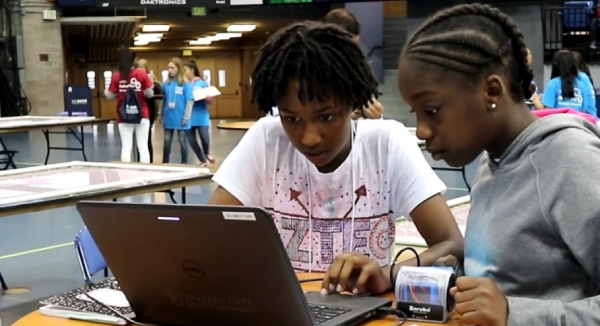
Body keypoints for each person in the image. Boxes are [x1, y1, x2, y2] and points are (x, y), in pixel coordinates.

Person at [208, 21, 464, 286]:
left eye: (326, 116)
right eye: (292, 119)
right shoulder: (266, 138)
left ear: (353, 102)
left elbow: (452, 244)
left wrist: (387, 275)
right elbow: (206, 234)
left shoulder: (387, 144)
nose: (309, 138)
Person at [391, 3, 600, 326]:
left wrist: (513, 313)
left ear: (491, 91)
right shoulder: (492, 162)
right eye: (415, 114)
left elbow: (509, 305)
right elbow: (511, 281)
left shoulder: (570, 159)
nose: (421, 131)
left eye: (431, 111)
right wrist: (437, 276)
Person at [323, 8, 384, 120]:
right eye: (346, 48)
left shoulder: (359, 73)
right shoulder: (308, 74)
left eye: (354, 47)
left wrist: (376, 115)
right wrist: (346, 118)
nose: (351, 54)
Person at [105, 49, 153, 163]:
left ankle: (126, 173)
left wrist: (106, 91)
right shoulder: (141, 74)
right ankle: (145, 173)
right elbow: (149, 94)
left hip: (124, 114)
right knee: (143, 147)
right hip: (142, 113)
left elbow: (110, 96)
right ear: (134, 60)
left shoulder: (117, 76)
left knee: (126, 147)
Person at [159, 57, 193, 164]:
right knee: (167, 140)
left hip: (181, 116)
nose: (170, 70)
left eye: (172, 68)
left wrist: (186, 116)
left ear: (178, 68)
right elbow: (163, 100)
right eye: (168, 68)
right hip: (169, 115)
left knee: (182, 140)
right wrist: (160, 113)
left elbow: (189, 101)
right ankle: (165, 162)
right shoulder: (166, 83)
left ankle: (184, 163)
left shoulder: (185, 84)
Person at [542, 50, 596, 116]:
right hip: (577, 124)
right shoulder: (581, 85)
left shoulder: (552, 84)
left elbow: (547, 111)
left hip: (557, 124)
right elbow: (584, 111)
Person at [184, 60, 215, 166]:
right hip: (189, 115)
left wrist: (206, 97)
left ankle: (206, 153)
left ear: (192, 70)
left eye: (186, 70)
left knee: (205, 138)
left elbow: (210, 99)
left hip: (201, 114)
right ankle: (202, 160)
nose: (184, 72)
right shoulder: (184, 83)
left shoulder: (202, 83)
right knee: (191, 140)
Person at [136, 58, 163, 163]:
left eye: (143, 67)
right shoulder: (133, 80)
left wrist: (153, 84)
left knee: (147, 140)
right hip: (136, 113)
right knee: (138, 142)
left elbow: (160, 91)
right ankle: (138, 161)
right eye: (139, 66)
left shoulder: (152, 81)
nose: (141, 69)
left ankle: (149, 162)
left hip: (149, 113)